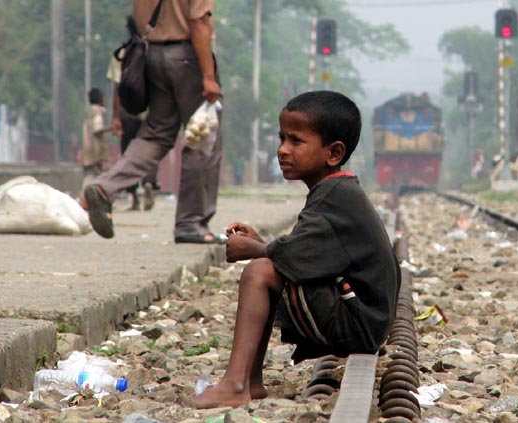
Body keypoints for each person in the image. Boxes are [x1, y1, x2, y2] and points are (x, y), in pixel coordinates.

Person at [191, 91, 401, 409]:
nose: (282, 150)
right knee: (269, 265)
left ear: (334, 153)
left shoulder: (333, 194)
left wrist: (254, 250)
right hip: (365, 319)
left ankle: (236, 382)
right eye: (282, 138)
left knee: (259, 271)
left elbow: (298, 256)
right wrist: (263, 244)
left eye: (296, 141)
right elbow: (309, 251)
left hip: (358, 325)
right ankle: (251, 381)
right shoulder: (336, 190)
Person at [84, 0, 223, 243]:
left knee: (155, 134)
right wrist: (209, 77)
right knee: (202, 137)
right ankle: (191, 224)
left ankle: (105, 187)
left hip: (153, 56)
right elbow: (199, 22)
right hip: (187, 56)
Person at [108, 16, 160, 211]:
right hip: (150, 112)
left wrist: (115, 117)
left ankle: (133, 197)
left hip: (127, 111)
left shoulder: (121, 54)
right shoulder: (153, 53)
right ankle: (148, 182)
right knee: (150, 148)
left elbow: (117, 89)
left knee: (128, 152)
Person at [80, 88, 114, 194]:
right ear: (100, 100)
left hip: (87, 148)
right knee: (100, 176)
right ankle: (98, 198)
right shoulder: (97, 112)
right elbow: (97, 129)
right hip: (96, 150)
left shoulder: (89, 111)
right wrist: (111, 128)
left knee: (89, 175)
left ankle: (85, 198)